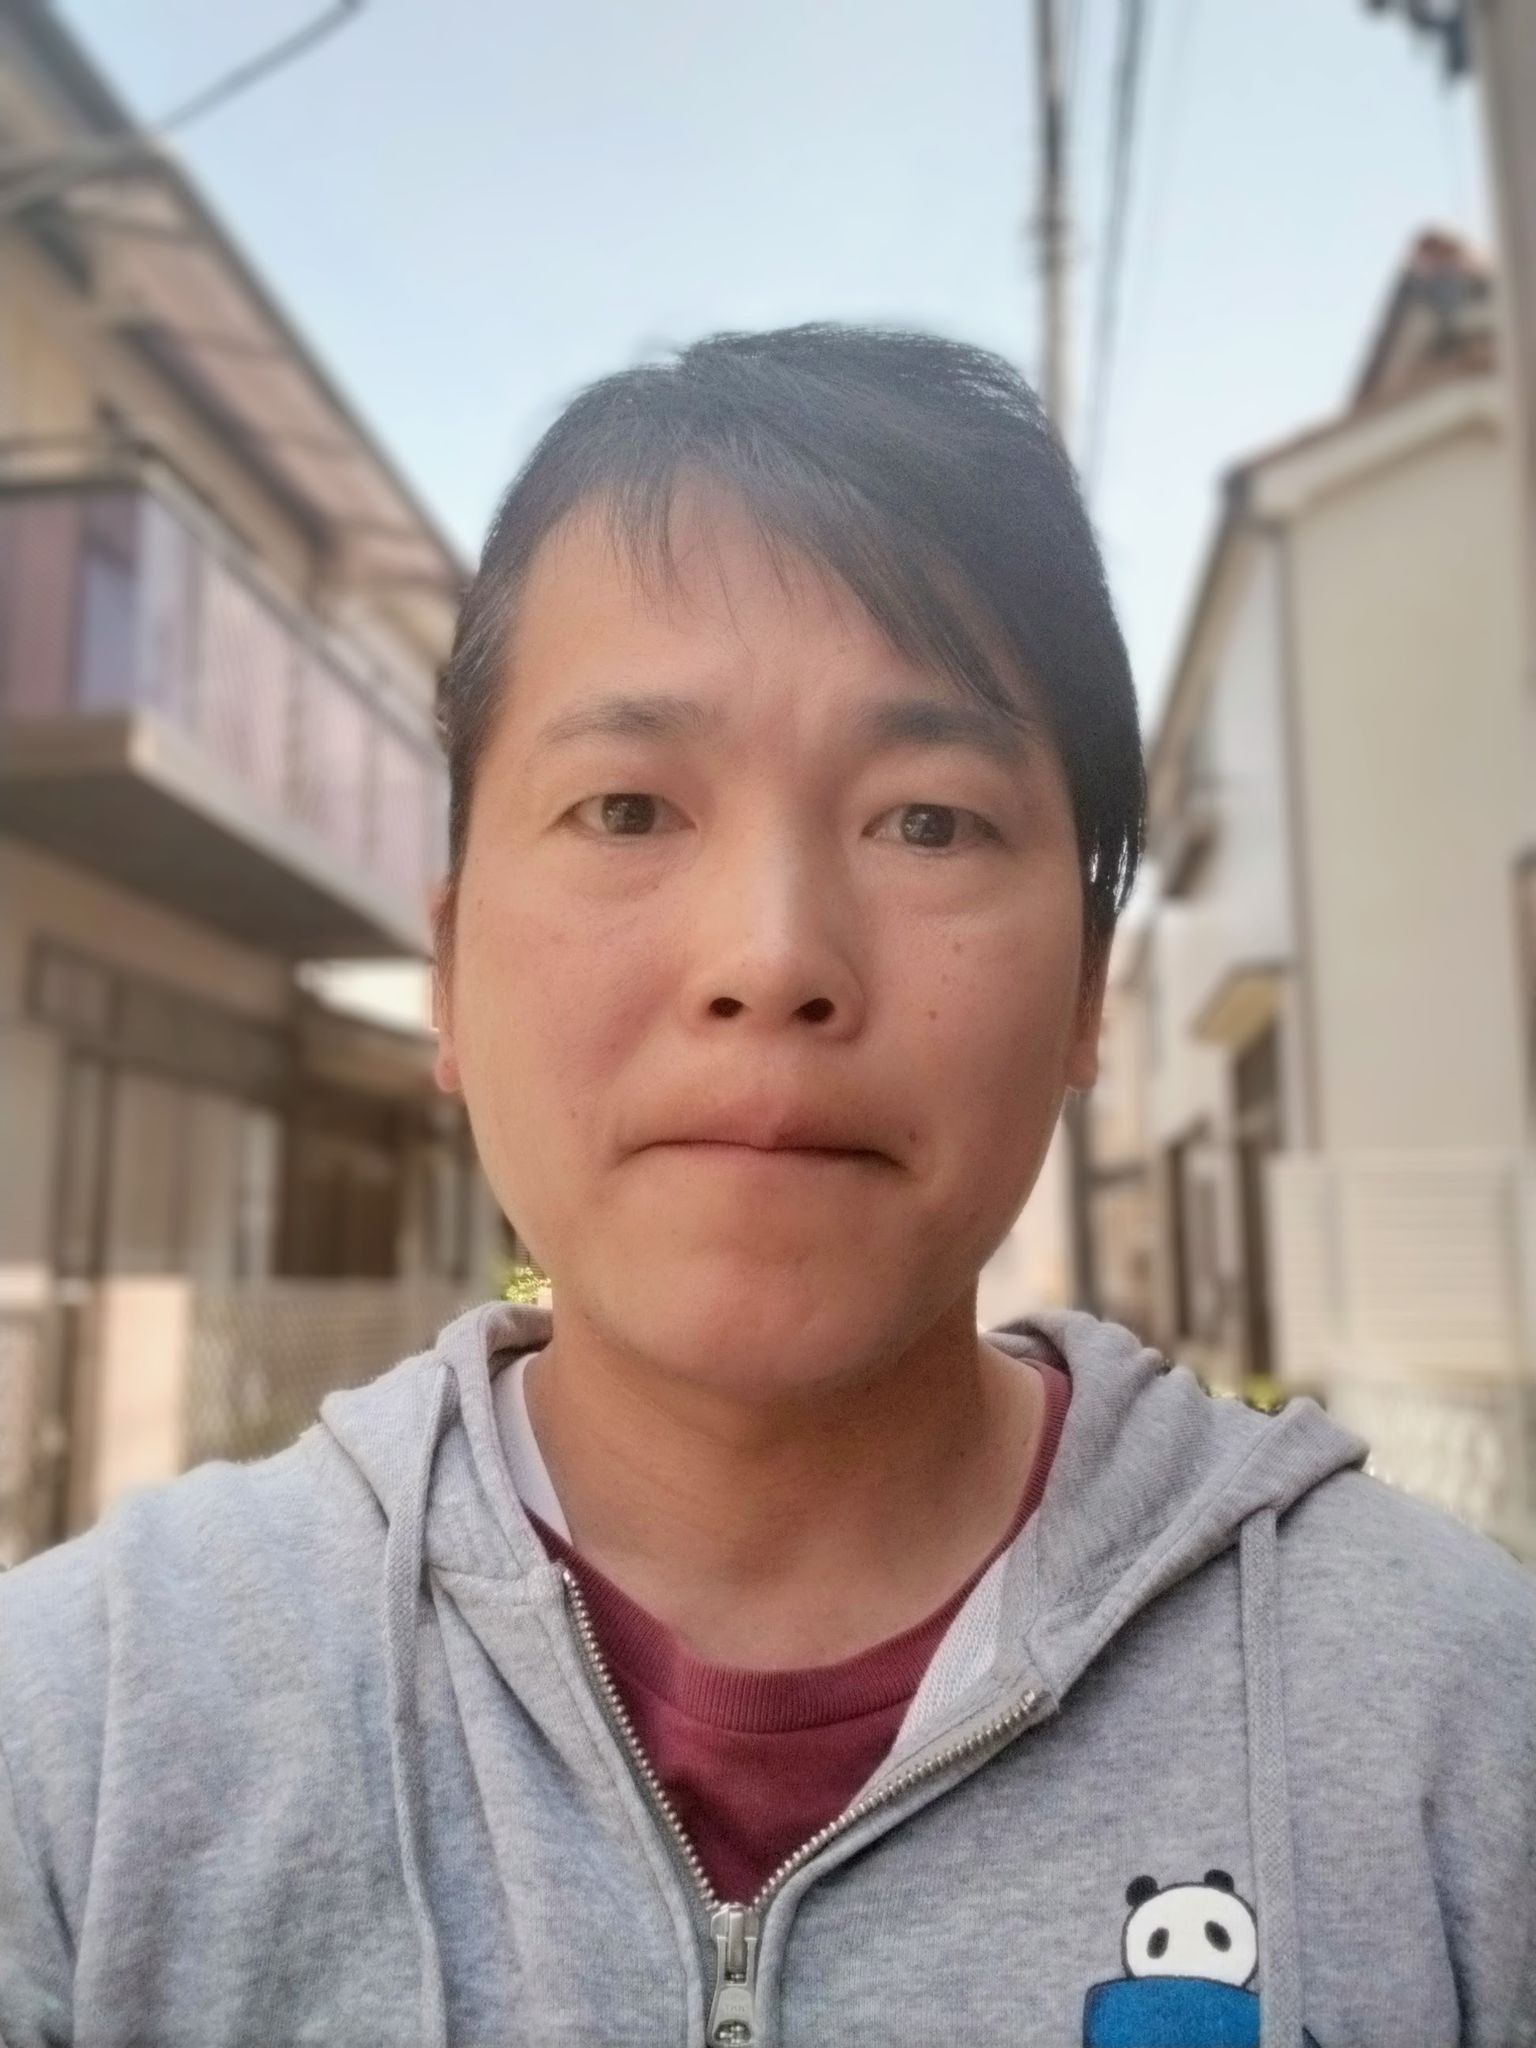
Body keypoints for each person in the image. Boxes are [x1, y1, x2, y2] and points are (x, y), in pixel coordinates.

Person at [1, 326, 1532, 2048]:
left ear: (1090, 992)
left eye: (929, 820)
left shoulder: (1461, 1734)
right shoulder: (82, 1745)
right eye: (627, 808)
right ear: (448, 974)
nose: (773, 957)